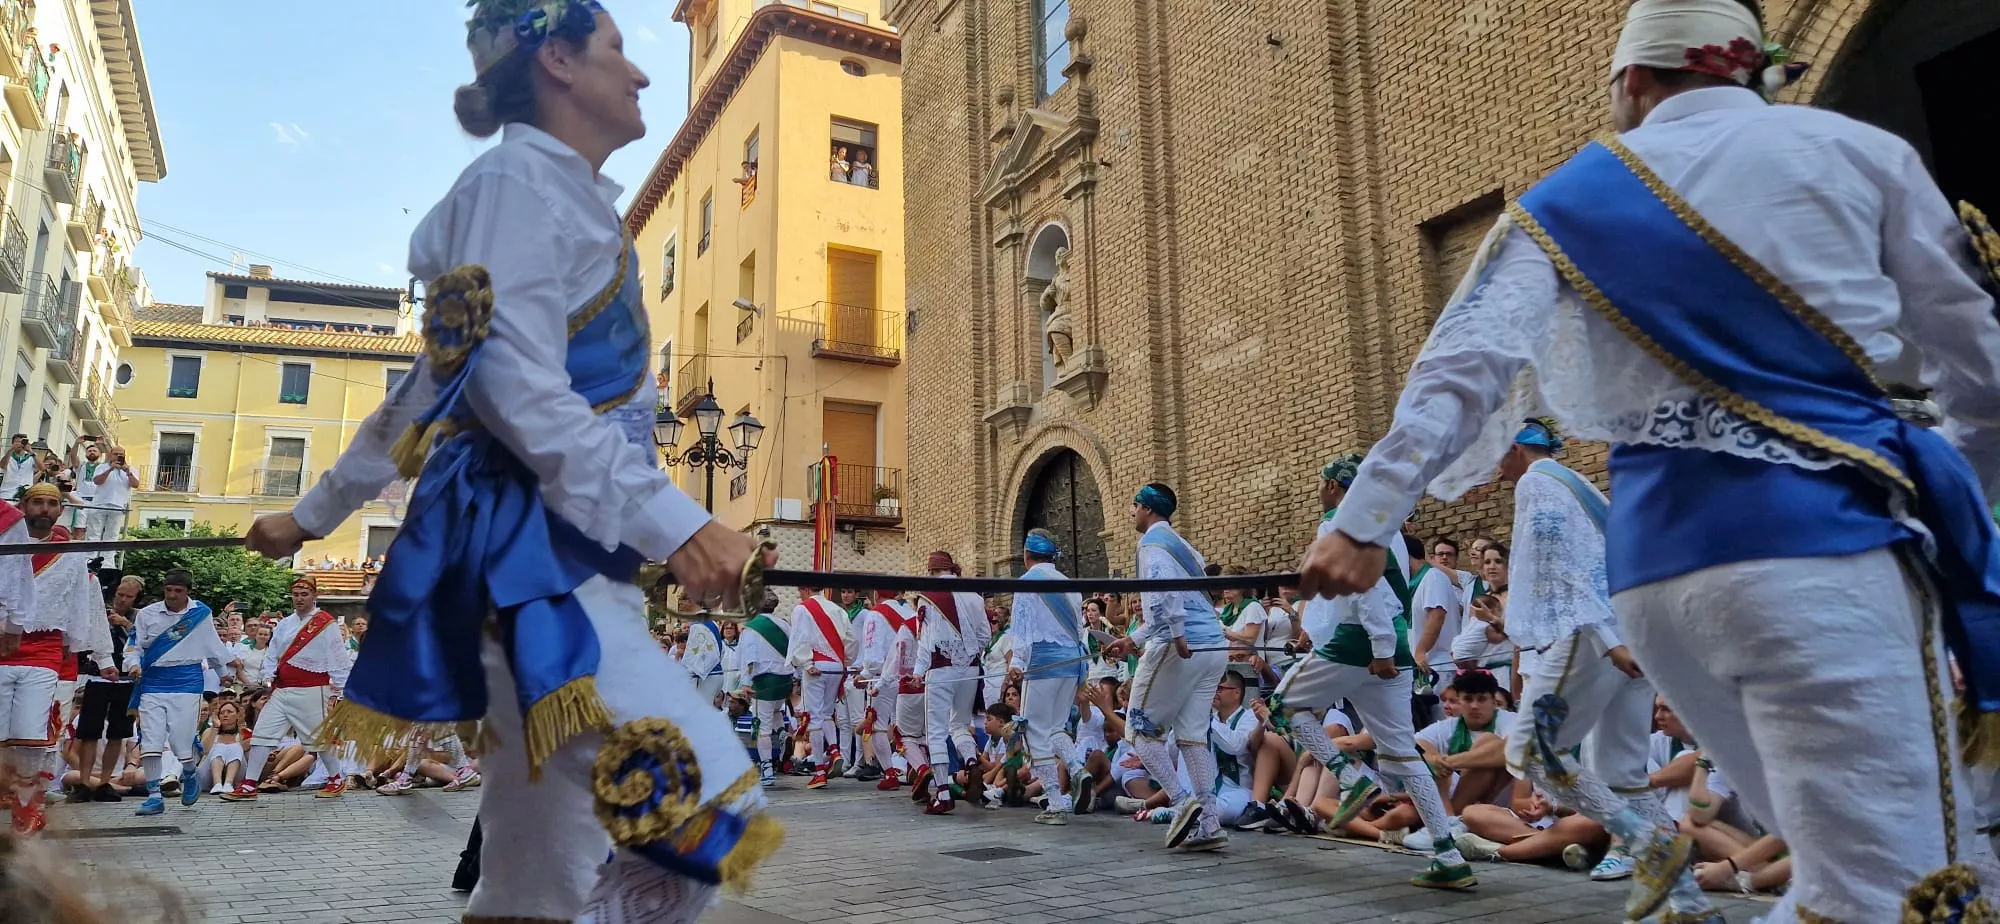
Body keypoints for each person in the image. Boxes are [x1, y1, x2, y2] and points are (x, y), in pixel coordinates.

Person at [1296, 2, 2000, 919]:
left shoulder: (1567, 200)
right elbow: (1975, 364)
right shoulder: (1854, 155)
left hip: (1661, 586)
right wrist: (1971, 504)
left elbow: (1462, 363)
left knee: (1839, 868)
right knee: (1901, 880)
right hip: (1821, 552)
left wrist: (1363, 520)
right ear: (1753, 72)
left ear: (1632, 80)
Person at [242, 2, 778, 918]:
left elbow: (427, 390)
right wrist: (679, 523)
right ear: (560, 60)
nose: (642, 74)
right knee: (703, 813)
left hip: (556, 565)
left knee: (532, 881)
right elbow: (506, 384)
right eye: (618, 50)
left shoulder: (542, 197)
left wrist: (309, 517)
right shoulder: (512, 194)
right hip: (530, 574)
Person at [1274, 457, 1476, 889]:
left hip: (1360, 642)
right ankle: (1448, 853)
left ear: (1332, 485)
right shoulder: (1392, 528)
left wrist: (1380, 647)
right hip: (1392, 645)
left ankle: (1350, 780)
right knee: (1402, 752)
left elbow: (1368, 586)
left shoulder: (1340, 521)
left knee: (1285, 705)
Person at [1099, 483, 1231, 853]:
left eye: (1134, 506)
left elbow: (1166, 593)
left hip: (1181, 647)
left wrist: (1175, 633)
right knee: (1191, 735)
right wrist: (1134, 639)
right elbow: (1190, 596)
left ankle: (1181, 800)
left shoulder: (1152, 545)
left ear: (1146, 509)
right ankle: (1209, 823)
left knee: (1138, 730)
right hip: (1213, 647)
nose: (1131, 513)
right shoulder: (1183, 544)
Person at [0, 485, 111, 834]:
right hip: (2, 647)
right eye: (38, 501)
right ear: (23, 506)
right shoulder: (6, 545)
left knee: (31, 732)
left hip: (47, 649)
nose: (45, 509)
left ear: (60, 511)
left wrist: (74, 642)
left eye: (52, 503)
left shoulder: (71, 555)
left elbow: (80, 602)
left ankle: (29, 807)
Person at [221, 577, 351, 802]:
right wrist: (268, 674)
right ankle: (250, 784)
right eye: (296, 595)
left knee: (318, 739)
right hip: (281, 689)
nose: (299, 599)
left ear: (314, 596)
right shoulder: (285, 624)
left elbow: (337, 656)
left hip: (312, 688)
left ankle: (337, 778)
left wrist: (341, 688)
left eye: (304, 594)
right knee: (262, 733)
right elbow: (273, 653)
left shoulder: (325, 623)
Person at [128, 570, 238, 818]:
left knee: (181, 741)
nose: (173, 595)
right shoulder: (147, 614)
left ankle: (189, 772)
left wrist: (222, 672)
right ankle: (154, 796)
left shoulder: (200, 614)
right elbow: (134, 645)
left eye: (178, 591)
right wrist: (133, 663)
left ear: (188, 591)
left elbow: (212, 645)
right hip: (153, 682)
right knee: (151, 741)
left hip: (187, 682)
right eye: (169, 590)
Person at [1005, 529, 1091, 824]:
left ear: (1027, 555)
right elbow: (1079, 629)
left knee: (1033, 730)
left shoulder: (1027, 583)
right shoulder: (1070, 584)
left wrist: (1016, 661)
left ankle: (1055, 801)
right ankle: (1078, 769)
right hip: (1073, 661)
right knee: (1055, 726)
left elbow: (1022, 627)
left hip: (1042, 662)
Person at [913, 551, 987, 816]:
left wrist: (919, 671)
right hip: (970, 669)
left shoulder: (928, 595)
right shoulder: (973, 594)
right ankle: (970, 759)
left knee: (935, 730)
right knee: (959, 723)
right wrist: (967, 654)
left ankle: (942, 792)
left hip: (940, 668)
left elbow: (925, 640)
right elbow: (984, 635)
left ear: (932, 571)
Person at [70, 576, 141, 802]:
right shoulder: (101, 611)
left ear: (136, 598)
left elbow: (146, 641)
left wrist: (126, 624)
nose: (122, 599)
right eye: (120, 594)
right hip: (96, 675)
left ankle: (105, 783)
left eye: (128, 596)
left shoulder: (141, 617)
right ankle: (83, 781)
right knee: (89, 731)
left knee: (118, 733)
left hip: (125, 678)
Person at [787, 586, 852, 787]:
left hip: (816, 665)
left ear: (806, 589)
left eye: (800, 590)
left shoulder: (802, 609)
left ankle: (819, 770)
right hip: (836, 665)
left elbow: (800, 638)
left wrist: (806, 663)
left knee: (814, 716)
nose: (799, 594)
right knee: (826, 713)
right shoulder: (836, 609)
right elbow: (851, 638)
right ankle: (834, 750)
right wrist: (845, 662)